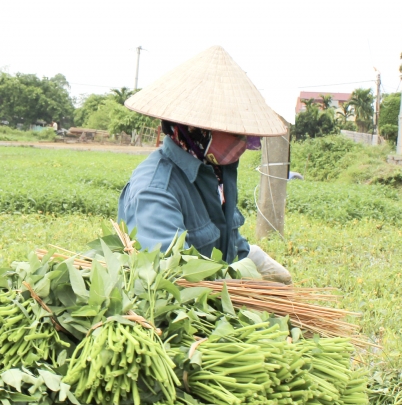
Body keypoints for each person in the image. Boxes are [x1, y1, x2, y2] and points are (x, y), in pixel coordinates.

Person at [118, 45, 292, 284]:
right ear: (198, 130)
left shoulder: (216, 172)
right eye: (233, 132)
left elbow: (224, 238)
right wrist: (243, 288)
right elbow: (172, 278)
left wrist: (250, 255)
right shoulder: (155, 190)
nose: (243, 143)